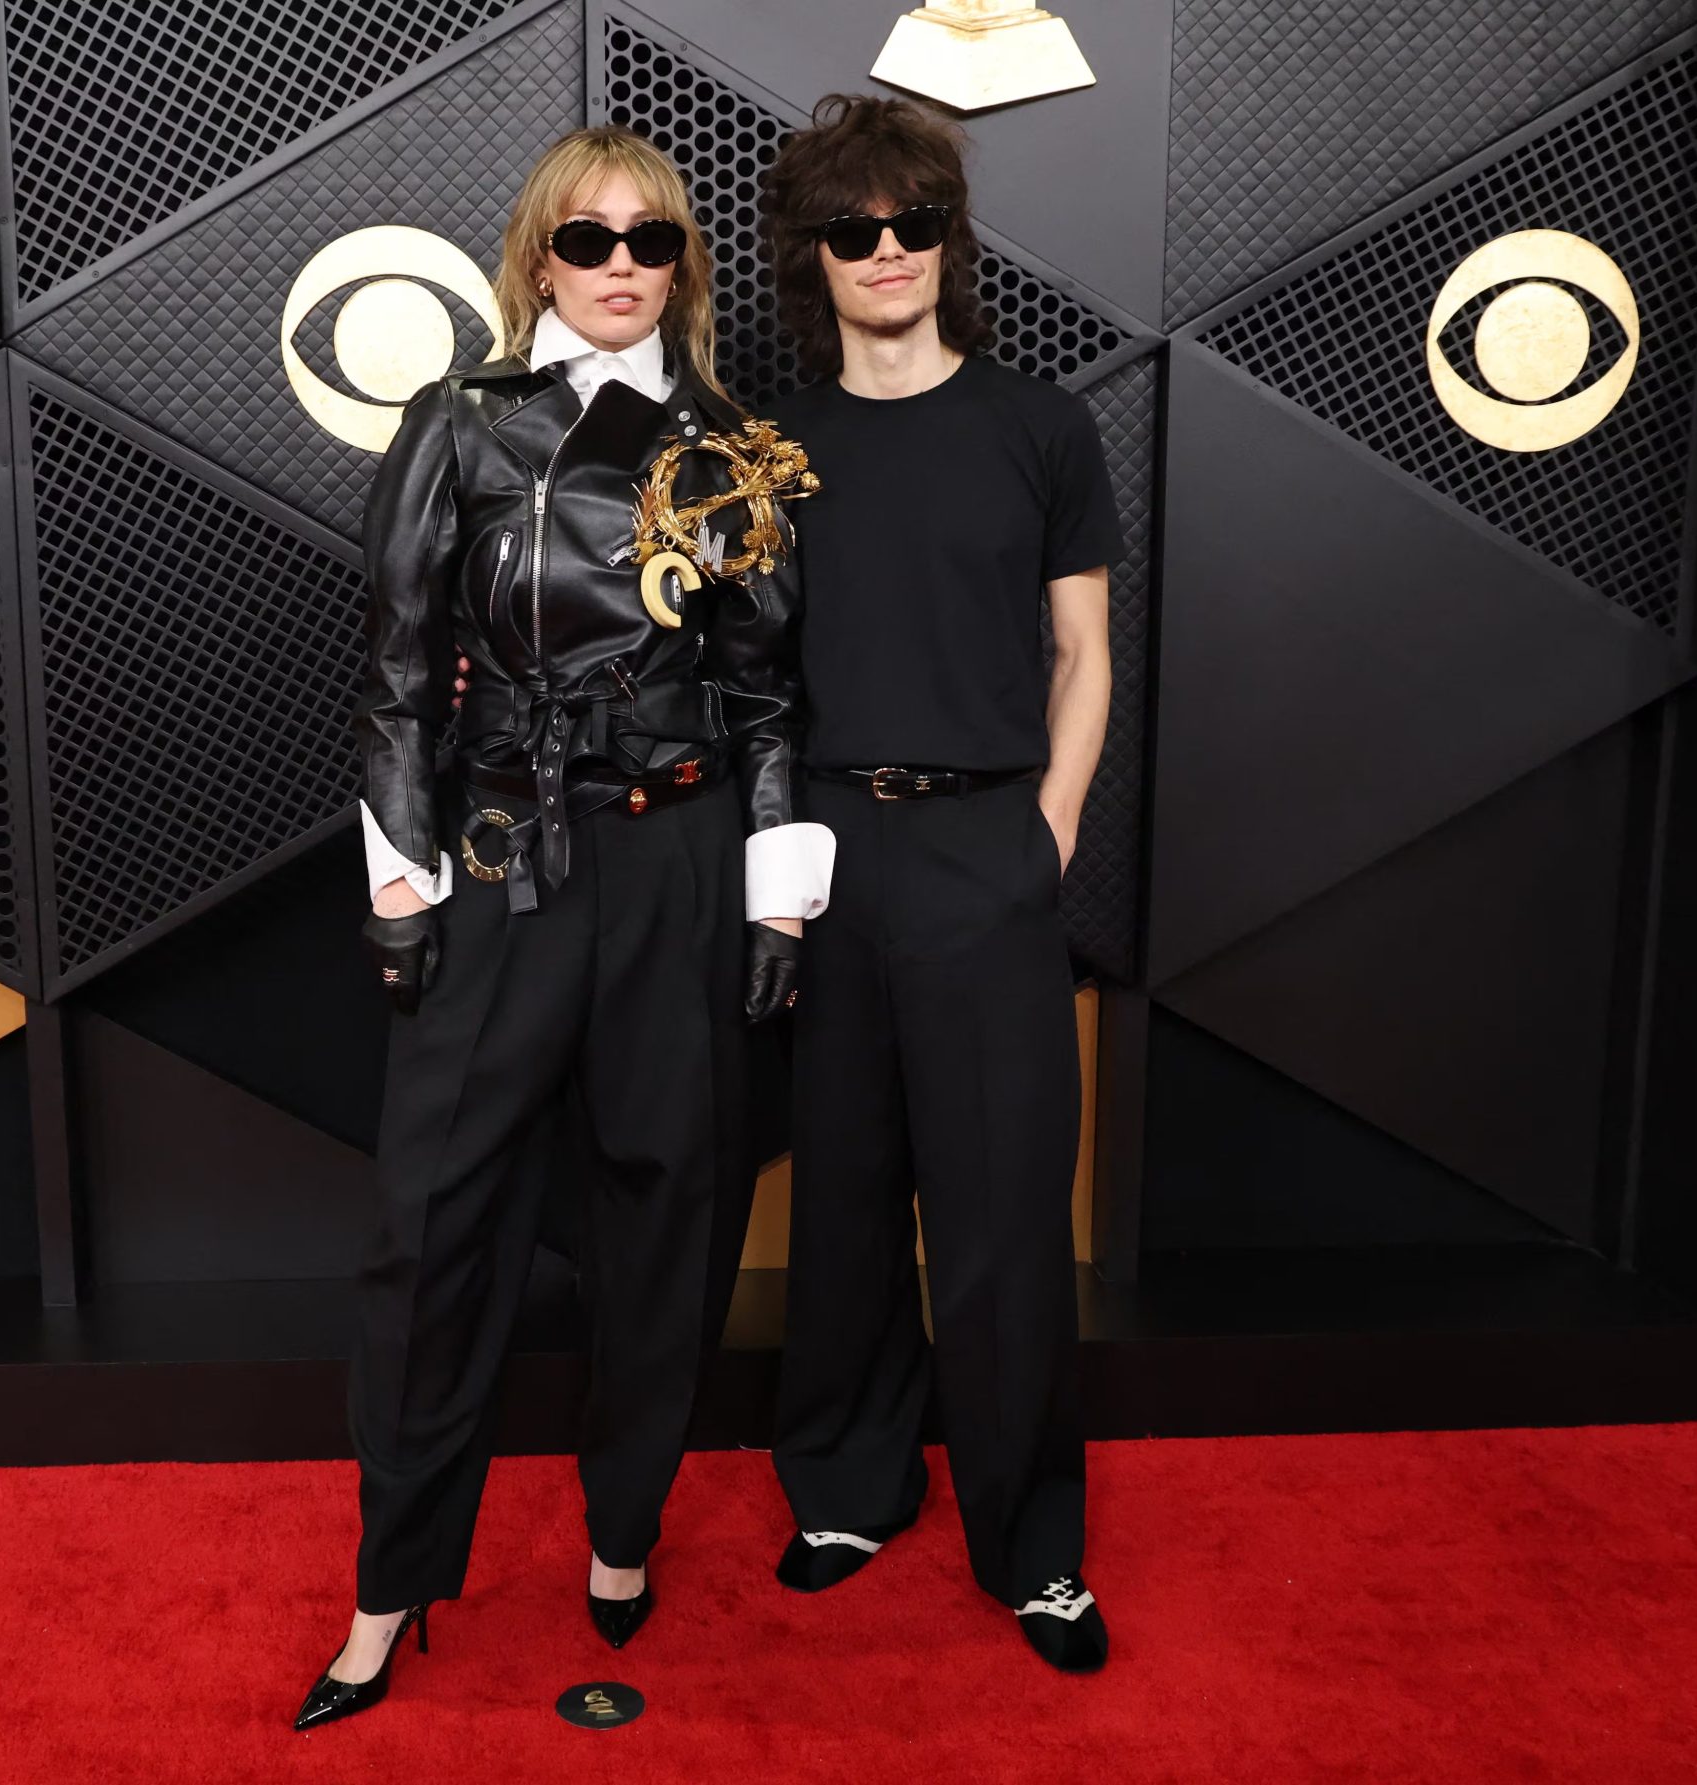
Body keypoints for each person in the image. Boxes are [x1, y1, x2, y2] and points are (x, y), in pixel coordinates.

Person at [294, 126, 834, 1729]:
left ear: (684, 263)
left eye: (649, 242)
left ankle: (620, 1538)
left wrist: (777, 892)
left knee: (668, 1211)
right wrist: (401, 883)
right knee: (430, 1228)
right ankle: (391, 1588)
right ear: (540, 258)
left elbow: (763, 692)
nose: (618, 268)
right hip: (501, 857)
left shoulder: (732, 442)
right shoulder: (458, 428)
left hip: (679, 866)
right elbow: (398, 676)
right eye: (587, 241)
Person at [758, 94, 1117, 1673]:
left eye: (915, 223)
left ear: (950, 243)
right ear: (816, 256)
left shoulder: (1044, 426)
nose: (889, 250)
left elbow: (1084, 652)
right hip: (830, 848)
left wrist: (1047, 831)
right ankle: (848, 1483)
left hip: (989, 844)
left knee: (1003, 1214)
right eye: (857, 229)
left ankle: (1034, 1540)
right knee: (839, 1193)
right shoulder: (772, 449)